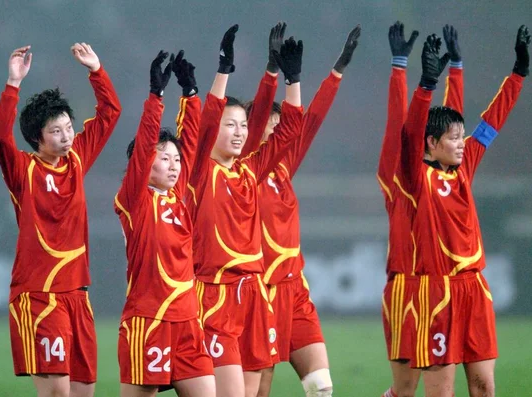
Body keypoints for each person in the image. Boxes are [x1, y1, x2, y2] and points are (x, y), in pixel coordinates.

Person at [394, 26, 530, 396]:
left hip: (474, 288)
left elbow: (492, 121)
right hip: (435, 292)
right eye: (452, 138)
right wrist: (425, 85)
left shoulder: (465, 165)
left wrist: (517, 74)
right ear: (432, 143)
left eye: (461, 136)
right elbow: (408, 134)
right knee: (442, 392)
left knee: (484, 386)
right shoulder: (414, 176)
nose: (460, 143)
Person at [0, 43, 122, 397]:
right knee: (57, 393)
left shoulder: (77, 160)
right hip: (40, 296)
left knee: (84, 392)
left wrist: (97, 71)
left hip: (78, 296)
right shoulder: (23, 170)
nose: (66, 137)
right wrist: (13, 84)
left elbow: (110, 112)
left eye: (68, 128)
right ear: (37, 138)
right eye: (56, 131)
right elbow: (0, 138)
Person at [240, 24, 361, 397]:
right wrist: (271, 70)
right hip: (260, 290)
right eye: (270, 128)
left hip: (294, 289)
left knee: (321, 386)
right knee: (259, 390)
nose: (279, 135)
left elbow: (309, 122)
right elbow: (263, 119)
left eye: (281, 128)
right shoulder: (244, 171)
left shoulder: (282, 167)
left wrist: (336, 72)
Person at [187, 24, 304, 397]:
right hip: (216, 294)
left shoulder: (251, 170)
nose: (238, 133)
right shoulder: (199, 173)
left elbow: (289, 130)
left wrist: (294, 79)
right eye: (230, 125)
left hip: (254, 294)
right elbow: (204, 122)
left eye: (242, 126)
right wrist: (224, 70)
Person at [114, 50, 215, 397]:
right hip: (148, 321)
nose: (173, 165)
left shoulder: (179, 197)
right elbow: (143, 147)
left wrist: (190, 94)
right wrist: (156, 97)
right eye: (164, 158)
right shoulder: (135, 201)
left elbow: (190, 140)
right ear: (144, 165)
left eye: (175, 160)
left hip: (187, 321)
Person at [378, 22, 464, 397]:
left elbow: (450, 125)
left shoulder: (441, 171)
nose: (457, 143)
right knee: (404, 391)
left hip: (434, 288)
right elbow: (403, 124)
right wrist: (403, 70)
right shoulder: (401, 176)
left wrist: (454, 72)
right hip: (404, 286)